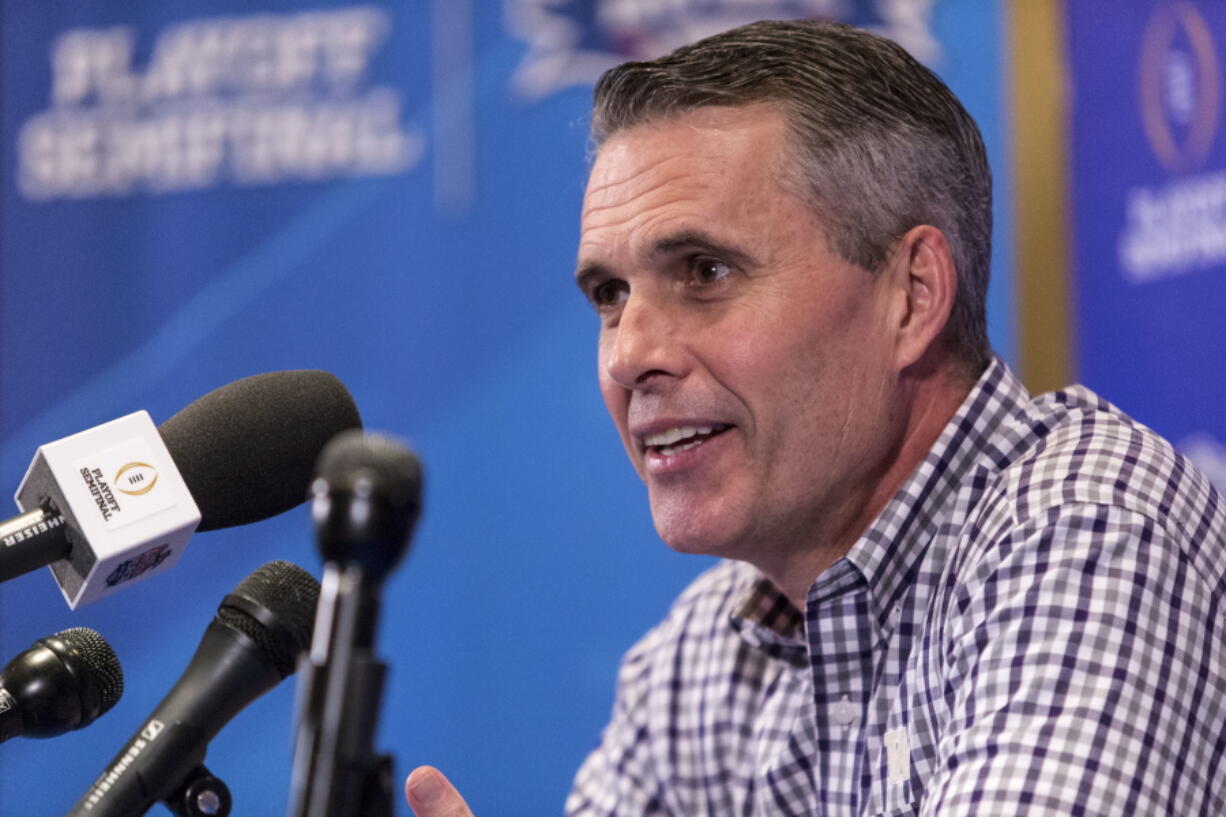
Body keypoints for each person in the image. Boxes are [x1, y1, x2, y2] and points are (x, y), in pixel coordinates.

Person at [404, 19, 1226, 817]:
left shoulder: (1093, 528)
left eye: (706, 271)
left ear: (912, 295)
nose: (628, 356)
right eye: (610, 296)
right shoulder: (703, 662)